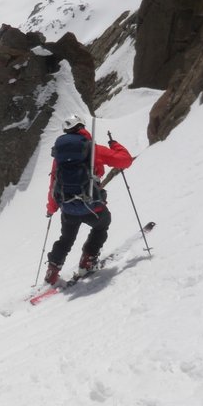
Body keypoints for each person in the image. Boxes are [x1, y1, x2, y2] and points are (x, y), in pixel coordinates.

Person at [44, 114, 133, 285]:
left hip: (68, 207)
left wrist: (51, 207)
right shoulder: (93, 149)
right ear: (82, 128)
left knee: (66, 239)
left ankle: (53, 270)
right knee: (102, 226)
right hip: (93, 206)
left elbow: (53, 183)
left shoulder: (60, 157)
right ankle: (88, 260)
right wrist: (115, 145)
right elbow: (124, 161)